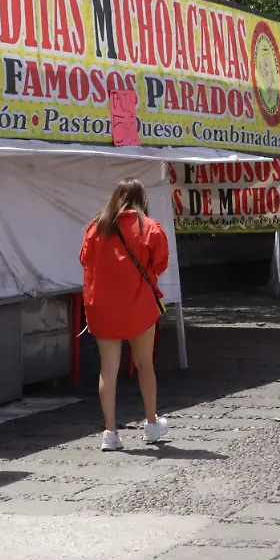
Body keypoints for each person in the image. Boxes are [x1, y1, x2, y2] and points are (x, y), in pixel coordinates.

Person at [80, 178, 170, 451]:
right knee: (144, 364)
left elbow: (84, 259)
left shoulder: (96, 227)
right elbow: (161, 264)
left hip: (103, 307)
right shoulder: (150, 227)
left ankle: (110, 432)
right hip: (139, 306)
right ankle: (152, 424)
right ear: (142, 199)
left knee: (108, 369)